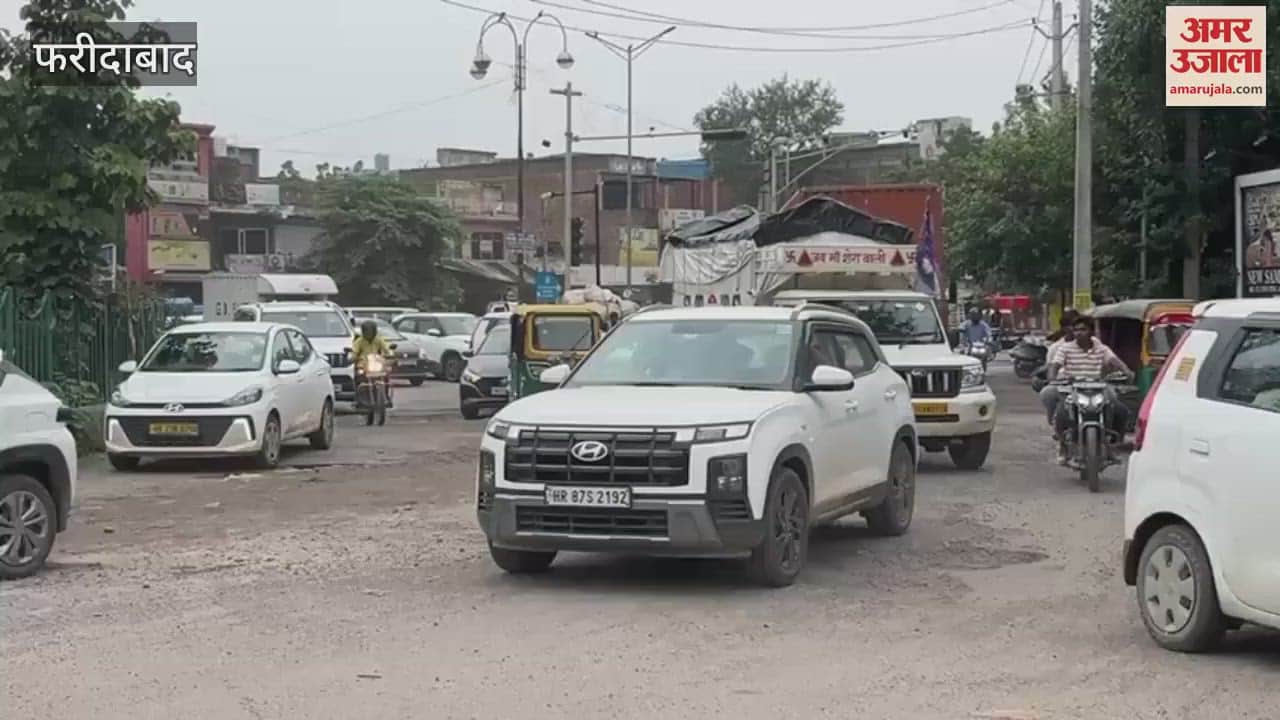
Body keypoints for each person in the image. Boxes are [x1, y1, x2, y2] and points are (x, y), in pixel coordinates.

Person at [1046, 316, 1133, 463]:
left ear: (1091, 331)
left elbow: (1114, 360)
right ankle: (1063, 444)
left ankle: (1114, 444)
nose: (1079, 333)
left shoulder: (1101, 348)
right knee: (1060, 411)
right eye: (1076, 330)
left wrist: (1126, 371)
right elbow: (1055, 365)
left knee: (1121, 410)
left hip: (1099, 387)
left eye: (1083, 329)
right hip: (1073, 388)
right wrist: (1052, 377)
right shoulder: (1065, 348)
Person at [1038, 308, 1079, 424]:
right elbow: (1051, 368)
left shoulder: (1093, 344)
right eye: (1072, 326)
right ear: (1065, 328)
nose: (1076, 330)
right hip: (1064, 387)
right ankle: (1055, 421)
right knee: (1048, 393)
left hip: (1089, 387)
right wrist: (1053, 379)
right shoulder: (1056, 348)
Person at [351, 319, 394, 408]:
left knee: (386, 376)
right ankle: (358, 398)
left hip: (376, 363)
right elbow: (354, 351)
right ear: (363, 331)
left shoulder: (378, 340)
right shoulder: (359, 341)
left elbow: (386, 348)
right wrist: (352, 357)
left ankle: (386, 396)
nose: (369, 333)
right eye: (367, 331)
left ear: (374, 331)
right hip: (364, 364)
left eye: (370, 331)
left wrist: (390, 353)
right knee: (358, 377)